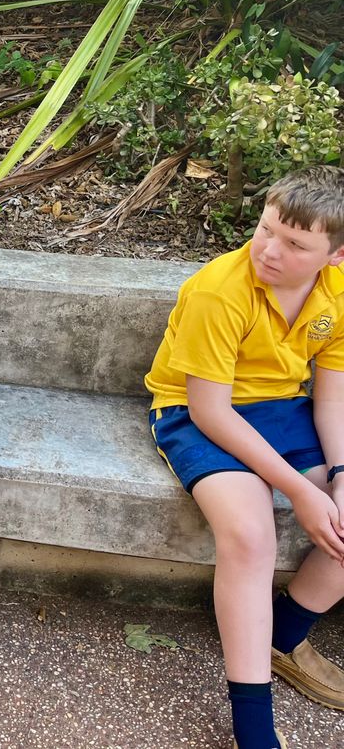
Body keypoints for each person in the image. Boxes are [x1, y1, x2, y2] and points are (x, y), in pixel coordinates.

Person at [145, 165, 344, 749]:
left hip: (284, 409)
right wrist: (301, 490)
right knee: (251, 536)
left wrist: (339, 475)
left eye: (295, 245)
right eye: (266, 229)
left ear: (336, 255)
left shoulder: (337, 291)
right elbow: (210, 411)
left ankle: (285, 635)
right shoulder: (219, 290)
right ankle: (254, 729)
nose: (270, 251)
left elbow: (332, 398)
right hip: (197, 412)